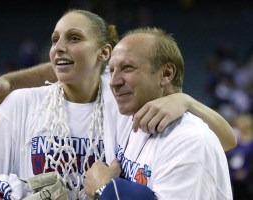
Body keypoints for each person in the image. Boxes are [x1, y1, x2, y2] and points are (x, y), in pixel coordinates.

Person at [0, 9, 236, 199]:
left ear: (103, 52)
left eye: (73, 38)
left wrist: (185, 100)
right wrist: (11, 82)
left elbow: (222, 140)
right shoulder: (20, 104)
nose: (59, 47)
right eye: (54, 39)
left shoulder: (123, 103)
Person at [84, 27, 232, 199]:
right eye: (111, 70)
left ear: (166, 73)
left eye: (127, 67)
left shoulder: (189, 141)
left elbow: (227, 140)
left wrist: (104, 190)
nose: (113, 82)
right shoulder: (130, 116)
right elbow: (75, 75)